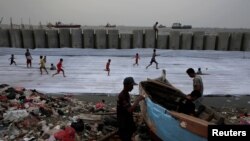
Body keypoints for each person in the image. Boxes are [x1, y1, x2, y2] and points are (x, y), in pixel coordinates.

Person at [117, 77, 145, 141]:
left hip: (127, 122)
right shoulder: (122, 96)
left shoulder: (126, 94)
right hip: (123, 124)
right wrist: (137, 100)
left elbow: (128, 109)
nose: (132, 87)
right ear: (126, 85)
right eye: (131, 85)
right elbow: (129, 110)